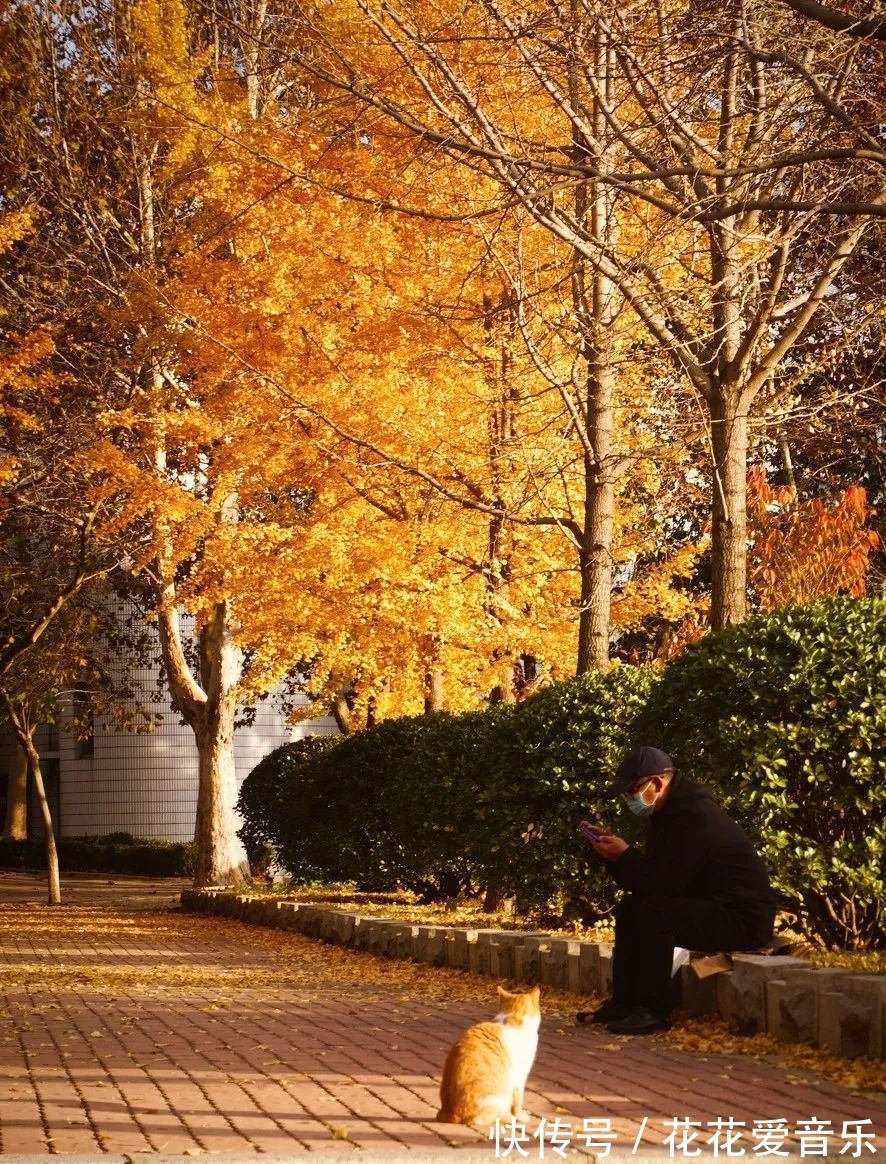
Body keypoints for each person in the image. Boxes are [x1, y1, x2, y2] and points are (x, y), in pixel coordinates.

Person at [578, 745, 776, 1036]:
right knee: (632, 908)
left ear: (657, 783)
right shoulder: (666, 815)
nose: (629, 800)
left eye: (632, 790)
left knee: (657, 913)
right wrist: (616, 858)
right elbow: (649, 881)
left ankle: (652, 1010)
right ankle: (625, 1003)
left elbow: (667, 884)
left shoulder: (695, 816)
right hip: (711, 905)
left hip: (742, 918)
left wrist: (626, 855)